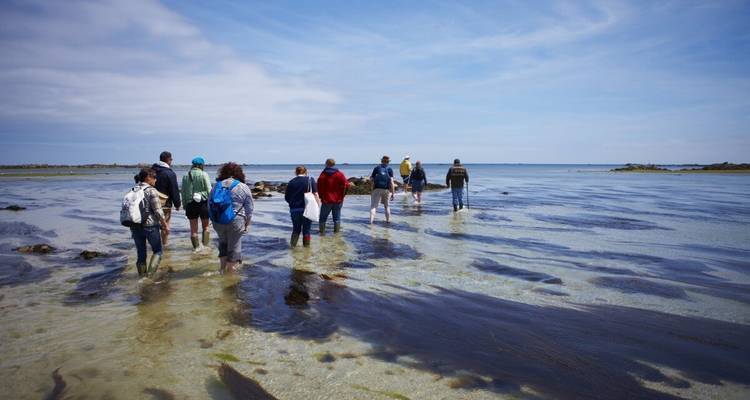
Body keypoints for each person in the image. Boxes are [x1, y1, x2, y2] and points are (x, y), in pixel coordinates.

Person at [210, 162, 253, 273]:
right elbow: (249, 210)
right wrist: (247, 225)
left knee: (223, 244)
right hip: (235, 221)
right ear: (239, 173)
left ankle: (222, 269)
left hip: (218, 221)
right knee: (234, 247)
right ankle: (230, 277)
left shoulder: (216, 186)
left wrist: (214, 221)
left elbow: (209, 204)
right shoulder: (243, 187)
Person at [130, 168, 168, 277]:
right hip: (150, 225)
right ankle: (150, 277)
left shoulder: (133, 189)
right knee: (157, 251)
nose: (156, 180)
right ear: (148, 177)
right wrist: (165, 225)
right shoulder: (151, 190)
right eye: (154, 178)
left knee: (141, 254)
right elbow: (158, 211)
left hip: (135, 225)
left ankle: (142, 277)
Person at [181, 157, 212, 252]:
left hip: (190, 204)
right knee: (206, 227)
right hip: (203, 203)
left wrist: (185, 205)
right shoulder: (204, 174)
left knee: (193, 230)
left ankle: (196, 249)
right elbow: (209, 190)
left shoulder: (185, 176)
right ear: (201, 165)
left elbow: (183, 192)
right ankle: (205, 248)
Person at [285, 165, 321, 247]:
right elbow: (315, 194)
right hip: (307, 209)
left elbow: (287, 197)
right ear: (306, 172)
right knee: (306, 231)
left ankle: (292, 248)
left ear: (296, 172)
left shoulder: (291, 182)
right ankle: (306, 251)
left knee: (296, 230)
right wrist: (318, 206)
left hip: (294, 210)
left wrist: (293, 204)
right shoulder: (310, 180)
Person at [151, 151, 181, 247]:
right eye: (171, 159)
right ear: (168, 160)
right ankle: (164, 245)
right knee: (165, 226)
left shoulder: (151, 171)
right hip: (165, 203)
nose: (171, 161)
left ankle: (154, 244)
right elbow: (174, 190)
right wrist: (177, 204)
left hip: (150, 202)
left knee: (152, 225)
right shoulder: (170, 173)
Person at [317, 158, 350, 235]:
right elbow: (347, 185)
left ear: (326, 164)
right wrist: (343, 195)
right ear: (334, 164)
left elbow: (319, 187)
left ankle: (322, 234)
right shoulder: (339, 174)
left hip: (326, 200)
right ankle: (336, 235)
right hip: (338, 200)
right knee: (336, 219)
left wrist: (321, 196)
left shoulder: (323, 174)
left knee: (322, 219)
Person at [370, 155, 395, 224]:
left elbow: (372, 180)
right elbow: (392, 182)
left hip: (376, 189)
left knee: (373, 206)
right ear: (388, 162)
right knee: (387, 206)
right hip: (386, 190)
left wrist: (372, 190)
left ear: (381, 161)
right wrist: (393, 193)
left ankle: (371, 222)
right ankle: (388, 221)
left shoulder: (376, 168)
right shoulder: (390, 169)